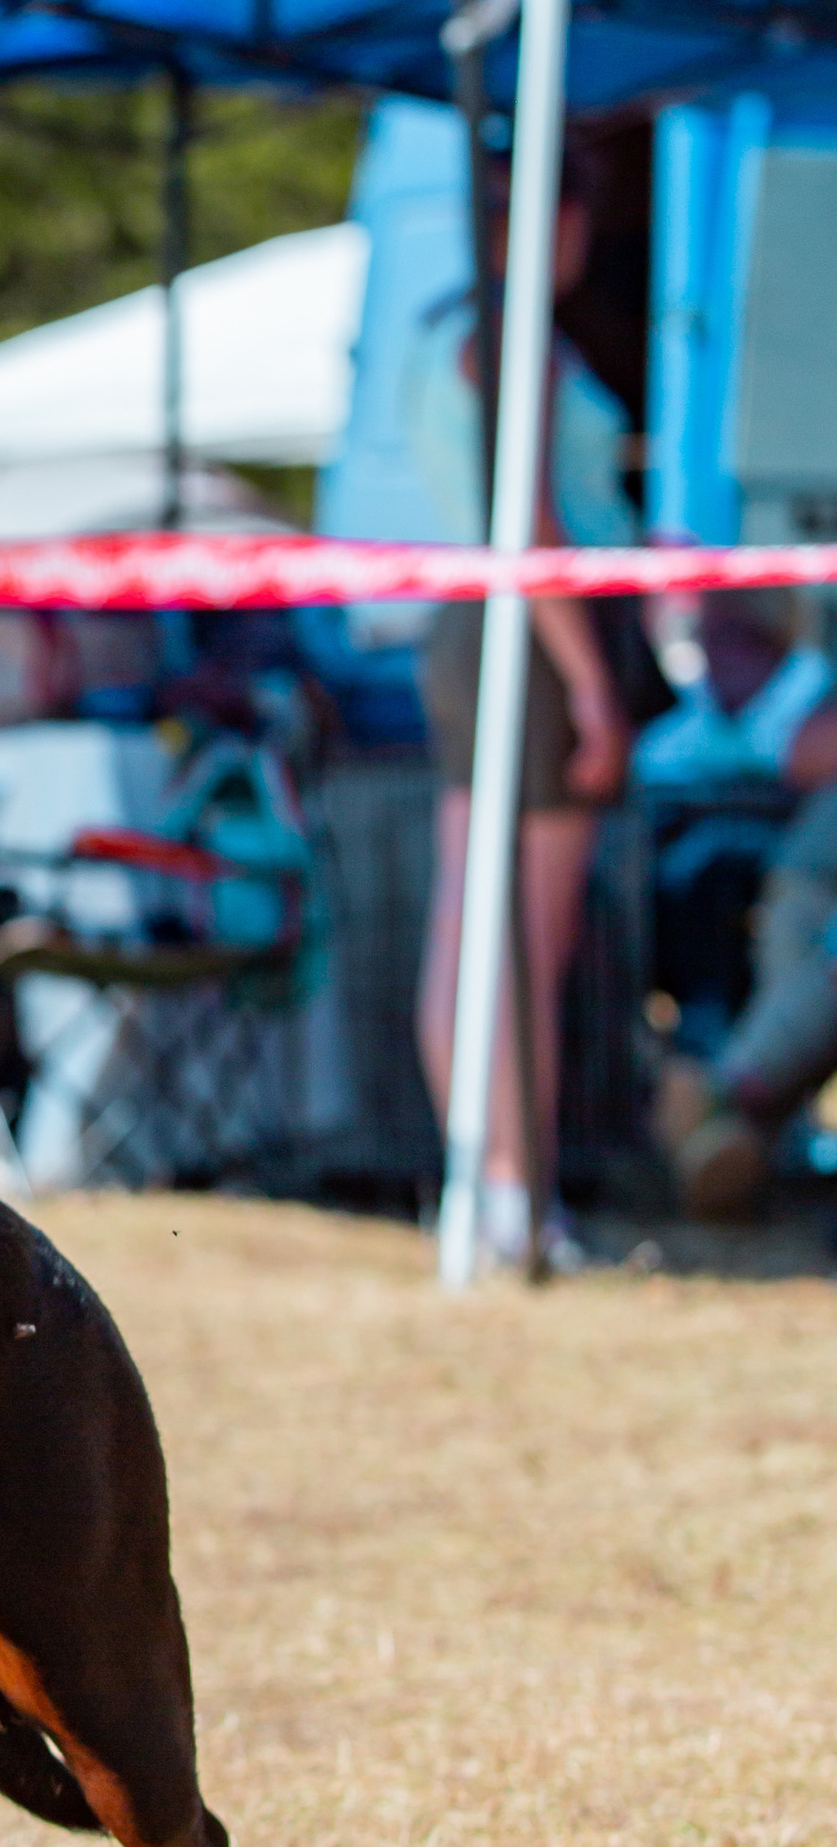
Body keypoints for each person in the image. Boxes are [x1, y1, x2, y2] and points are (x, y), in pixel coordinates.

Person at [405, 160, 634, 1271]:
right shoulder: (513, 343)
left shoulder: (449, 333)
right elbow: (532, 520)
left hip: (469, 632)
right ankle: (511, 1195)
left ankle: (487, 1189)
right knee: (521, 949)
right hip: (533, 645)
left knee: (467, 927)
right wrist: (593, 682)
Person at [640, 593, 837, 1215]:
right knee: (787, 923)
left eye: (731, 638)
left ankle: (722, 1101)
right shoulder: (689, 722)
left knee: (818, 960)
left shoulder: (804, 685)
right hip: (803, 884)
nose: (711, 656)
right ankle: (739, 1130)